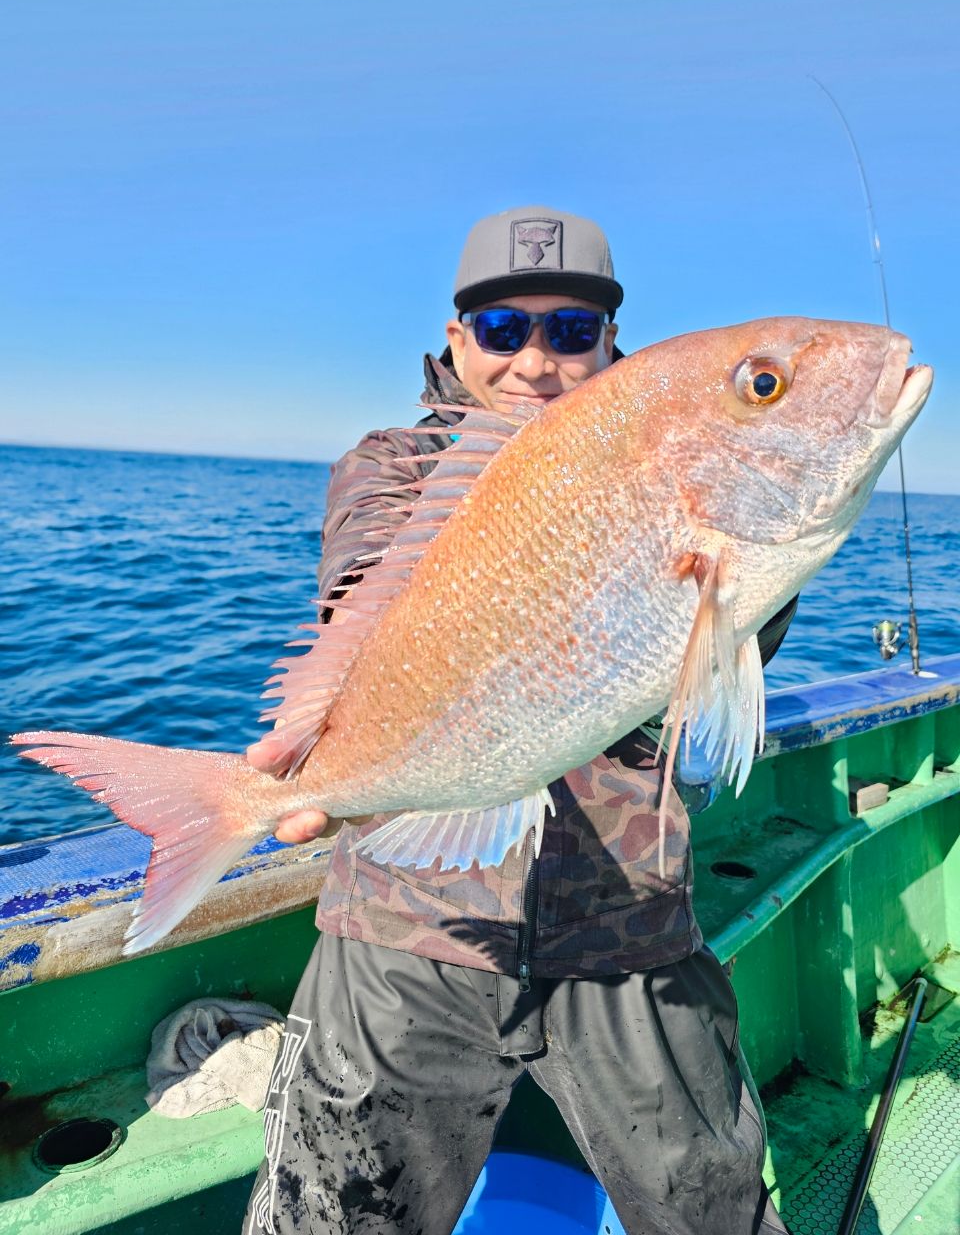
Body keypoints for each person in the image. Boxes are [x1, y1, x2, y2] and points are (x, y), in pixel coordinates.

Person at [244, 206, 797, 1235]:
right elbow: (368, 594)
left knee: (714, 1207)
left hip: (627, 924)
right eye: (503, 331)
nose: (536, 359)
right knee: (337, 1213)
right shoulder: (393, 464)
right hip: (412, 920)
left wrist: (745, 533)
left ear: (612, 345)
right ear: (458, 341)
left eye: (571, 330)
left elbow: (730, 657)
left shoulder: (664, 456)